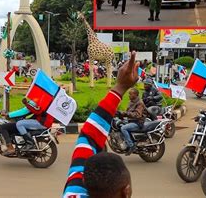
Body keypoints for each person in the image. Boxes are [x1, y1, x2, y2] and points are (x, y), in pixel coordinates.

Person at [63, 51, 139, 198]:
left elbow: (88, 136)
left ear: (83, 180)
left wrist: (119, 88)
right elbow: (88, 136)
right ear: (126, 191)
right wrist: (122, 87)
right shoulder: (75, 186)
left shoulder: (73, 193)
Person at [119, 88, 148, 155]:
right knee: (119, 124)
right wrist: (120, 114)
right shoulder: (131, 102)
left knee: (123, 128)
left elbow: (137, 115)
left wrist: (125, 113)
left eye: (130, 94)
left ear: (135, 94)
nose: (129, 95)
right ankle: (125, 142)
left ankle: (131, 145)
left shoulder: (140, 103)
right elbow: (127, 112)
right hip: (131, 120)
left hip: (138, 122)